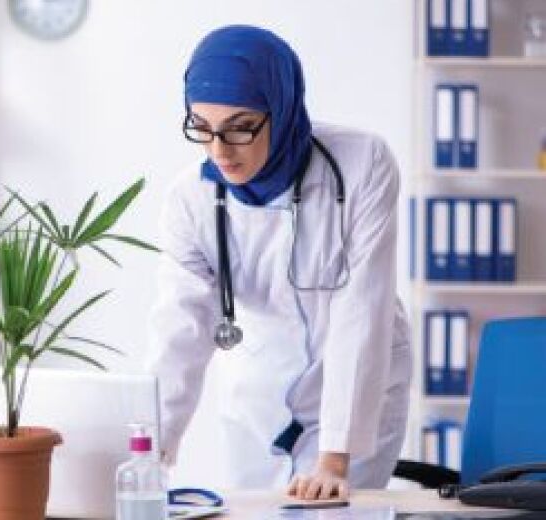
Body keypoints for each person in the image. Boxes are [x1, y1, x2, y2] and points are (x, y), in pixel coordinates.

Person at [146, 25, 412, 500]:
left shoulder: (363, 164)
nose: (219, 149)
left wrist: (334, 455)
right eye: (201, 126)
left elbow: (362, 309)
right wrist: (149, 455)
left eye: (241, 126)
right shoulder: (191, 200)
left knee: (333, 510)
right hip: (258, 390)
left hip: (356, 383)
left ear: (282, 105)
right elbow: (179, 330)